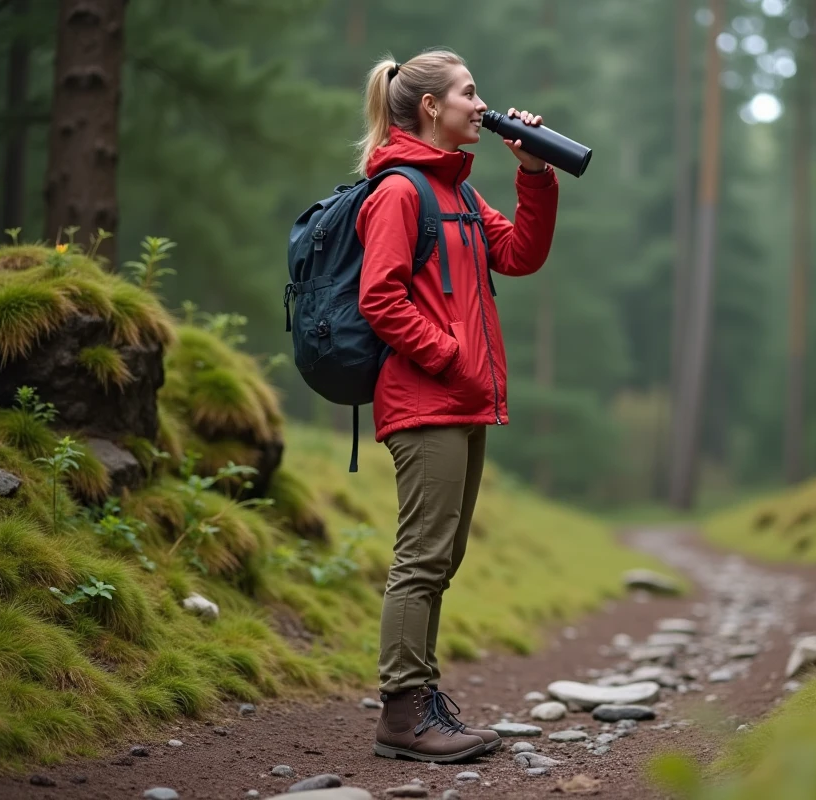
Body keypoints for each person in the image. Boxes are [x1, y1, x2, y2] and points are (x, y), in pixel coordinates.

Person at [354, 47, 559, 763]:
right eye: (470, 94)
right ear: (431, 108)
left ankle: (421, 697)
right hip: (426, 400)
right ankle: (403, 717)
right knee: (421, 558)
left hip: (460, 401)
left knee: (442, 557)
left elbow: (522, 255)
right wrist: (448, 355)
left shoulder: (460, 195)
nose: (482, 104)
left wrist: (531, 171)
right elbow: (378, 295)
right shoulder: (400, 192)